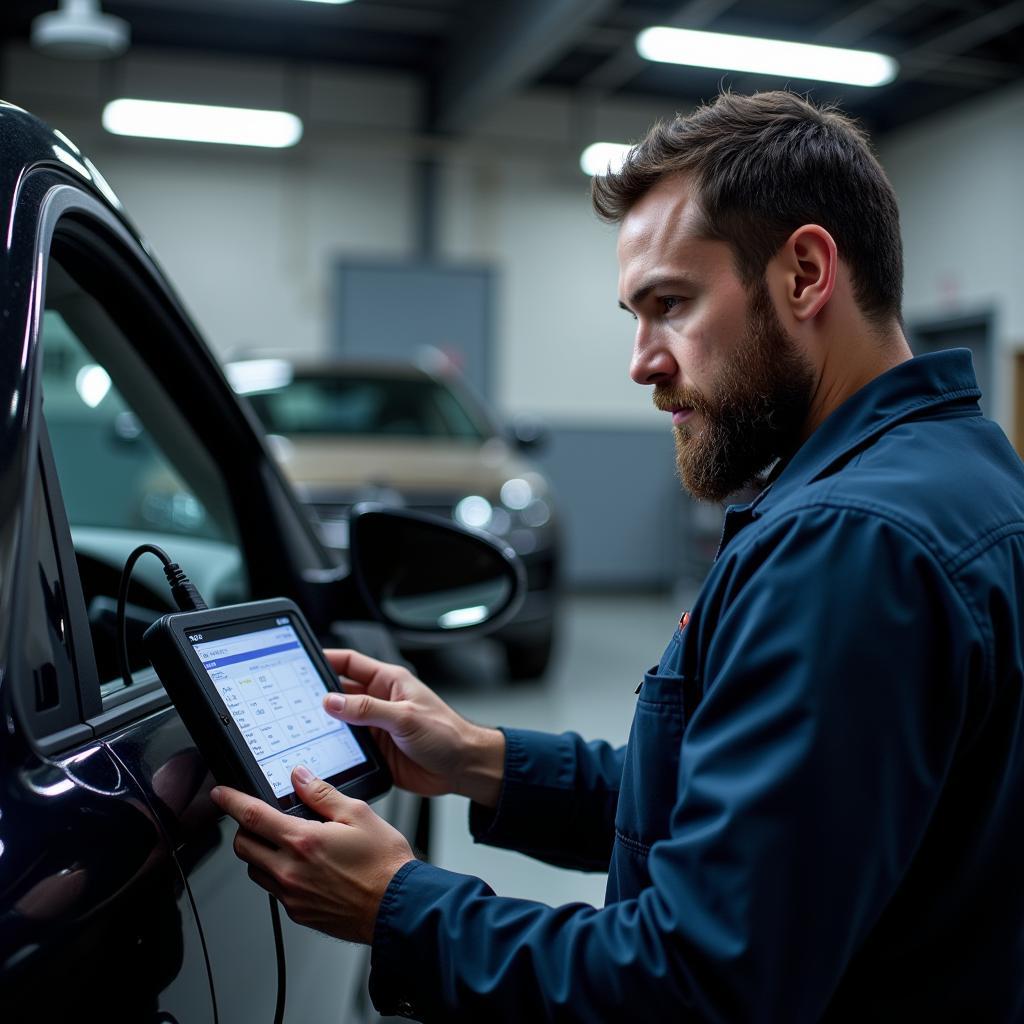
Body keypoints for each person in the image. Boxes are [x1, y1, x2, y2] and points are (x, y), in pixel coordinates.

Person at [211, 91, 1024, 1021]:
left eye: (669, 304)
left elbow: (698, 986)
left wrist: (404, 908)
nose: (641, 361)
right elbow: (744, 814)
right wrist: (483, 759)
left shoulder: (848, 545)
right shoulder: (964, 472)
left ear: (804, 273)